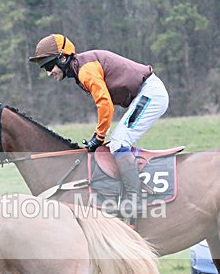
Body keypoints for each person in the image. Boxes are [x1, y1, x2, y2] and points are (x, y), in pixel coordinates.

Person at [28, 34, 169, 213]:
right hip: (144, 94)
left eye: (49, 66)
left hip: (150, 94)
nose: (48, 73)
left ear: (63, 58)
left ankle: (135, 200)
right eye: (44, 69)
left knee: (118, 143)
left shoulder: (86, 70)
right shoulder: (81, 68)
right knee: (117, 143)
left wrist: (99, 136)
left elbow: (105, 104)